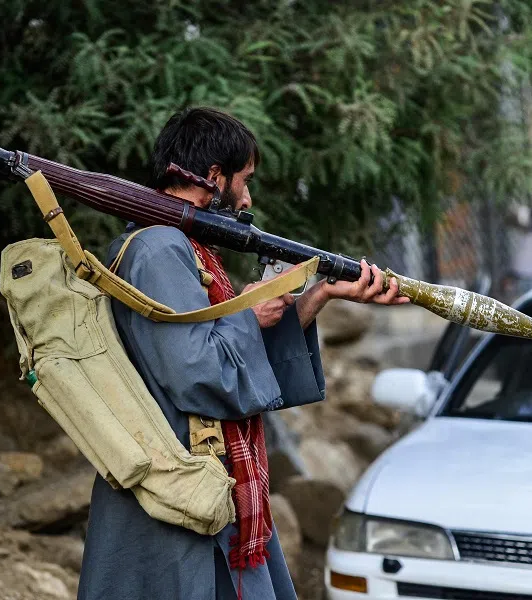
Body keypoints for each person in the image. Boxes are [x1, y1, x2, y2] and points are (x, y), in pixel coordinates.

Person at [76, 107, 408, 600]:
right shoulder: (159, 250)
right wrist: (252, 314)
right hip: (176, 501)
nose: (247, 197)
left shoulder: (184, 247)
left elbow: (227, 357)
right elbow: (199, 377)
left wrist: (317, 297)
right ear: (214, 177)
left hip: (210, 492)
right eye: (244, 180)